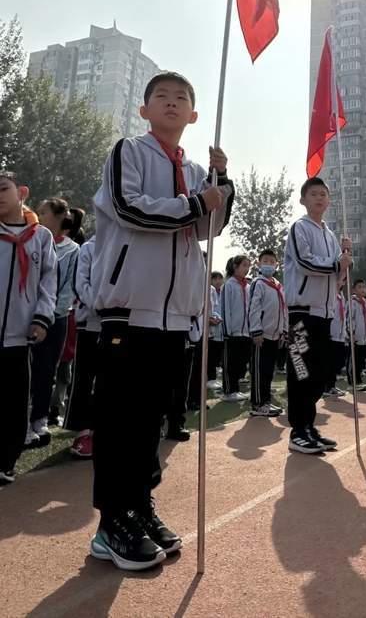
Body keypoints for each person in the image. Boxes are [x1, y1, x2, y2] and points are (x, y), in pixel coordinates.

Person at [89, 71, 234, 571]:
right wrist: (196, 201)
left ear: (194, 115)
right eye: (162, 97)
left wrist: (222, 186)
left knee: (150, 418)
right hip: (130, 308)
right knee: (121, 417)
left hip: (175, 317)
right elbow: (130, 209)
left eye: (182, 99)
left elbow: (204, 229)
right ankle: (111, 522)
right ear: (144, 109)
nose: (172, 104)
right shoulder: (128, 151)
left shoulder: (195, 168)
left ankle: (139, 505)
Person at [283, 177, 352, 454]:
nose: (319, 198)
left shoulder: (331, 235)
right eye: (313, 194)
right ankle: (297, 431)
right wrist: (336, 263)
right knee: (301, 371)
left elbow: (337, 277)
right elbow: (305, 262)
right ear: (303, 200)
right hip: (301, 313)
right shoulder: (299, 228)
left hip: (324, 314)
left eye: (323, 194)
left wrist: (345, 260)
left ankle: (309, 427)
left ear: (329, 201)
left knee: (318, 374)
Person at [0, 172, 57, 486]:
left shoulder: (40, 237)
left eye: (3, 188)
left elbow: (48, 283)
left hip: (20, 335)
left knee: (14, 401)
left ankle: (5, 462)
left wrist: (41, 318)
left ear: (21, 192)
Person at [28, 200, 83, 446]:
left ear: (60, 217)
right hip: (29, 318)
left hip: (57, 319)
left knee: (47, 370)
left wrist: (49, 314)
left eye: (43, 213)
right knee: (26, 371)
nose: (38, 216)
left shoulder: (73, 250)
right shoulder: (34, 240)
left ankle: (39, 419)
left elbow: (68, 287)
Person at [64, 234, 101, 458]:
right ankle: (83, 432)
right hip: (90, 323)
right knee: (85, 379)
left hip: (119, 325)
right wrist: (103, 305)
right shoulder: (89, 248)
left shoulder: (130, 244)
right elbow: (80, 285)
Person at [247, 249, 286, 417]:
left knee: (269, 371)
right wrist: (256, 330)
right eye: (265, 261)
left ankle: (266, 401)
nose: (269, 264)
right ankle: (257, 404)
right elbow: (254, 308)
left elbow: (284, 309)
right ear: (258, 264)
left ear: (277, 265)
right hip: (261, 336)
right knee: (259, 370)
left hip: (275, 335)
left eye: (272, 261)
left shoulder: (278, 286)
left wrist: (283, 331)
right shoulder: (258, 283)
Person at [188, 270, 224, 409]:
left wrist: (213, 317)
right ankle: (190, 400)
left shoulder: (210, 289)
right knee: (191, 367)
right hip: (189, 331)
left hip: (204, 332)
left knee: (199, 367)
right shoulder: (189, 282)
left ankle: (197, 399)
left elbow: (213, 308)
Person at [221, 255, 251, 402]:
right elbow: (226, 309)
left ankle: (235, 389)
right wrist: (227, 331)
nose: (247, 269)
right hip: (232, 331)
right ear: (235, 267)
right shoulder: (229, 285)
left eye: (248, 266)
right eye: (244, 265)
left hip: (246, 331)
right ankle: (229, 391)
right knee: (230, 362)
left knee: (240, 361)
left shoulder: (248, 286)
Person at [323, 278, 348, 399]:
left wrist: (345, 333)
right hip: (331, 333)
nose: (340, 282)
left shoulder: (342, 296)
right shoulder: (329, 294)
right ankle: (326, 386)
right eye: (338, 280)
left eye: (343, 280)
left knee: (338, 361)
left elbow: (343, 317)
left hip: (340, 334)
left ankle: (332, 385)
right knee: (329, 362)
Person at [348, 279, 366, 392]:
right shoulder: (352, 302)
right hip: (355, 337)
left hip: (364, 337)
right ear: (354, 289)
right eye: (359, 287)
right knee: (354, 359)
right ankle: (352, 382)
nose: (362, 289)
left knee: (360, 360)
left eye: (364, 287)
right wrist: (351, 333)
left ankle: (359, 381)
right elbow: (349, 319)